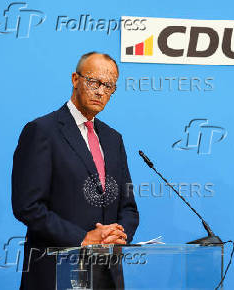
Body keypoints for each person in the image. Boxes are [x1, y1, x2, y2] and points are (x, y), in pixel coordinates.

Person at [12, 52, 139, 290]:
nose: (101, 91)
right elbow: (27, 206)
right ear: (75, 79)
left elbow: (128, 206)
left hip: (106, 274)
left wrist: (118, 234)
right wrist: (82, 238)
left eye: (109, 86)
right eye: (94, 82)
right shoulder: (42, 131)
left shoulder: (113, 139)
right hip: (57, 272)